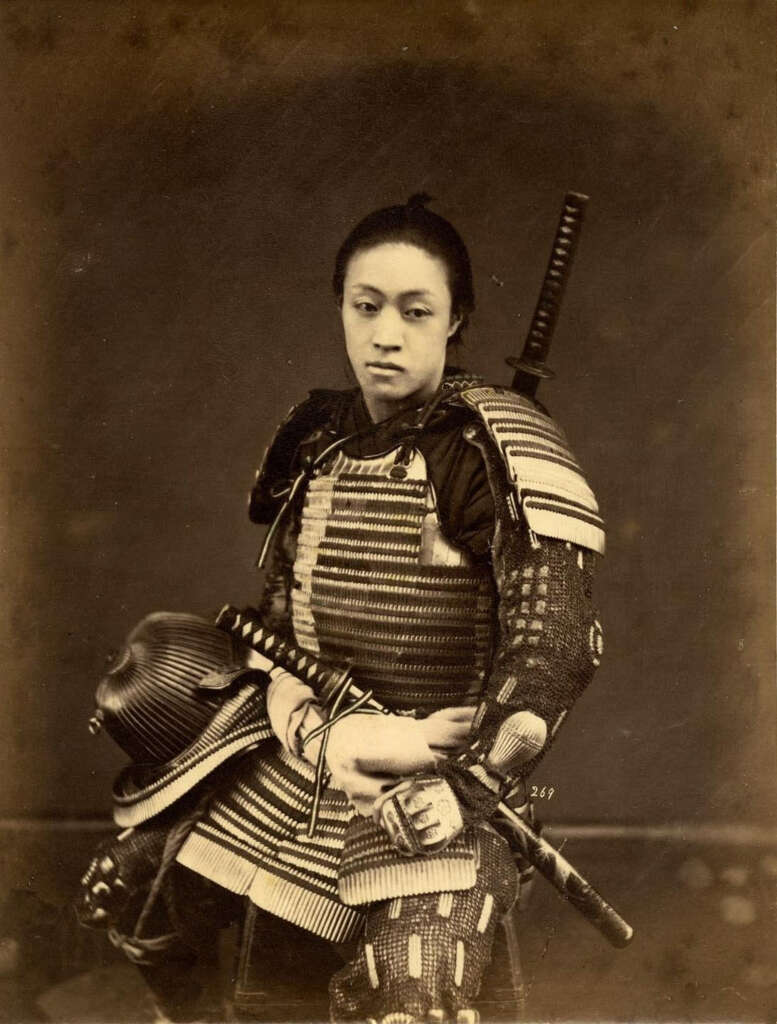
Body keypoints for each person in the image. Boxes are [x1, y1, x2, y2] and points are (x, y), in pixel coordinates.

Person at [77, 195, 605, 1023]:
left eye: (414, 310)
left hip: (436, 775)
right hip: (303, 751)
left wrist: (467, 787)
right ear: (342, 309)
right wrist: (310, 727)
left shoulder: (496, 453)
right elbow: (279, 619)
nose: (384, 334)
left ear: (454, 317)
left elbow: (554, 646)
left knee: (411, 993)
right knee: (127, 890)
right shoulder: (317, 437)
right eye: (365, 307)